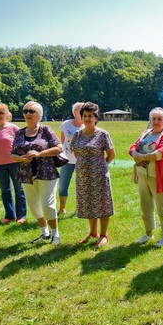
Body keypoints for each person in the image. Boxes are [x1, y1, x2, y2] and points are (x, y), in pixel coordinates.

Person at [11, 101, 64, 245]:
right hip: (26, 174)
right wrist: (22, 158)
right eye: (25, 111)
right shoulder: (20, 133)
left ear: (39, 115)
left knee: (47, 204)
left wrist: (39, 154)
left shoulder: (46, 130)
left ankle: (55, 234)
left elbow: (59, 148)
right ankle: (44, 233)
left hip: (46, 173)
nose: (28, 113)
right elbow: (13, 154)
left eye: (31, 111)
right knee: (34, 205)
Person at [69, 102, 115, 246]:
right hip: (83, 176)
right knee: (89, 204)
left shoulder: (103, 134)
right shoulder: (77, 135)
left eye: (90, 116)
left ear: (96, 117)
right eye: (85, 116)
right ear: (81, 118)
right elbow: (76, 152)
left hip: (99, 176)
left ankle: (103, 234)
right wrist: (85, 165)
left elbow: (111, 154)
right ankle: (92, 232)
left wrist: (100, 165)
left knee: (102, 204)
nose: (87, 118)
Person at [129, 107, 163, 247]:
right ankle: (149, 233)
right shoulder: (146, 133)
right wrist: (135, 154)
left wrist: (141, 156)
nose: (156, 122)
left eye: (159, 119)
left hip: (159, 176)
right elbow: (133, 147)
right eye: (154, 119)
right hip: (142, 175)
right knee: (146, 204)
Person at [0, 103, 27, 224]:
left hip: (14, 162)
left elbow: (21, 144)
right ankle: (9, 215)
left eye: (1, 112)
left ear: (7, 114)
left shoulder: (14, 128)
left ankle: (22, 215)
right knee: (5, 190)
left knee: (19, 189)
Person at [58, 103, 84, 215]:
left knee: (82, 184)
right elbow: (63, 140)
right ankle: (62, 208)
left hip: (82, 160)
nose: (81, 111)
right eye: (79, 109)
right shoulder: (66, 124)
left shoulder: (86, 125)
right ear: (74, 112)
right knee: (63, 184)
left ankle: (80, 207)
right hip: (67, 160)